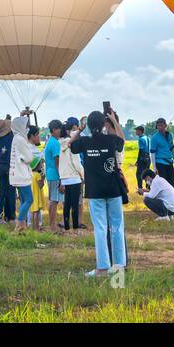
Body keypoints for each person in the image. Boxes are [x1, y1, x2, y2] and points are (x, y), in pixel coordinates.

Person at [67, 109, 127, 277]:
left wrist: (80, 129)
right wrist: (114, 121)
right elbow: (123, 140)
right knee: (117, 227)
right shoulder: (110, 140)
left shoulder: (85, 141)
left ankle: (102, 268)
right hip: (113, 189)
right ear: (103, 124)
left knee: (100, 228)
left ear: (89, 125)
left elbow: (70, 145)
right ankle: (119, 267)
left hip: (95, 191)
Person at [7, 117, 37, 232]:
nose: (27, 128)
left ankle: (22, 225)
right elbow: (29, 158)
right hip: (22, 175)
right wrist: (27, 158)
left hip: (17, 174)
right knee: (29, 199)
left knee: (24, 200)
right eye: (26, 126)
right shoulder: (20, 139)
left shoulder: (16, 138)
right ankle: (19, 223)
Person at [57, 122, 85, 230]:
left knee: (67, 203)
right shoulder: (72, 144)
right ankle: (75, 228)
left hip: (65, 177)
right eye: (74, 130)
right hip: (74, 177)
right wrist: (83, 175)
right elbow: (76, 162)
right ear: (68, 131)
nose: (76, 132)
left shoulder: (61, 143)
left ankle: (67, 227)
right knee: (75, 204)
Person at [0, 118, 15, 223]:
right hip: (10, 167)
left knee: (2, 193)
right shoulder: (10, 137)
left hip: (1, 167)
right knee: (11, 193)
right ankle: (11, 216)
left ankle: (0, 216)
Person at [43, 119, 63, 233]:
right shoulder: (55, 143)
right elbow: (57, 162)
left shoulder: (50, 141)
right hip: (55, 175)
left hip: (51, 174)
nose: (61, 131)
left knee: (53, 200)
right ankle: (52, 226)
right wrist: (61, 179)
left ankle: (52, 225)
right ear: (54, 130)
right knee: (54, 201)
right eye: (59, 129)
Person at [149, 118, 174, 188]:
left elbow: (172, 149)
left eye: (162, 125)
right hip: (160, 164)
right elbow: (152, 153)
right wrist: (154, 168)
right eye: (158, 126)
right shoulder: (154, 138)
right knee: (163, 186)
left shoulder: (169, 135)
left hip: (170, 163)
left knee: (172, 186)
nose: (160, 128)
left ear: (165, 125)